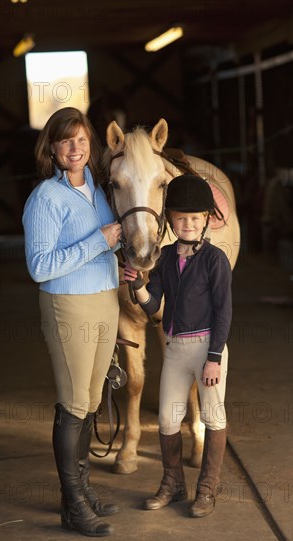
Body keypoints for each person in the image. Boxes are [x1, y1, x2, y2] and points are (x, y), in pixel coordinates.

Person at [22, 107, 122, 537]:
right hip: (68, 305)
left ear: (90, 146)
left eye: (81, 140)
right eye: (66, 141)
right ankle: (74, 504)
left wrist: (121, 261)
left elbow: (111, 246)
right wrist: (99, 241)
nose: (75, 148)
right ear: (53, 149)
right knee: (74, 403)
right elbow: (40, 266)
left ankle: (81, 490)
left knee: (94, 402)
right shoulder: (46, 197)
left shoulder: (99, 191)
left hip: (105, 300)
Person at [124, 174, 232, 518]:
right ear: (169, 220)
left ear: (205, 221)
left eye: (195, 218)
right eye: (181, 218)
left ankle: (207, 488)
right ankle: (173, 482)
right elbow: (155, 305)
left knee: (213, 416)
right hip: (174, 348)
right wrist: (139, 286)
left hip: (206, 348)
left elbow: (223, 311)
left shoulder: (215, 260)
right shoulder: (166, 257)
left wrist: (214, 358)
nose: (187, 224)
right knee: (169, 421)